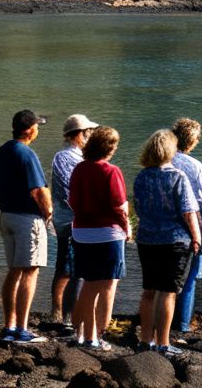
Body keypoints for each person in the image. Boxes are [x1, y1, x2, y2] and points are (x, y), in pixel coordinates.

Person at [132, 129, 201, 355]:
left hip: (147, 238)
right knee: (168, 292)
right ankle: (163, 342)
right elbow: (188, 212)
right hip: (174, 239)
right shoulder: (177, 176)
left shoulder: (141, 177)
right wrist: (197, 236)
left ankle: (145, 339)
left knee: (149, 291)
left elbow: (139, 208)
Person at [0, 109, 52, 344]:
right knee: (30, 270)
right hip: (27, 220)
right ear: (31, 130)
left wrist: (10, 200)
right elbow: (39, 190)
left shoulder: (1, 151)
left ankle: (8, 327)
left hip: (6, 217)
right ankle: (23, 330)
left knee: (14, 271)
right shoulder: (27, 154)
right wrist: (49, 212)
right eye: (38, 127)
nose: (38, 131)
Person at [68, 126, 129, 352]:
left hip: (82, 232)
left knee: (89, 283)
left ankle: (85, 334)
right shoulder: (111, 171)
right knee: (104, 285)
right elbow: (118, 207)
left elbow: (72, 201)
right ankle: (92, 332)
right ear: (109, 147)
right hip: (107, 234)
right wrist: (127, 228)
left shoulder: (79, 169)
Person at [50, 114, 99, 333]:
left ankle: (63, 312)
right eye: (88, 133)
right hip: (70, 220)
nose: (90, 136)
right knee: (67, 268)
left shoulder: (79, 157)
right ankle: (59, 313)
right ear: (78, 135)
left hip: (75, 219)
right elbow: (72, 191)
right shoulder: (65, 157)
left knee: (70, 267)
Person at [168, 118, 202, 336]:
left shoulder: (161, 160)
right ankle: (182, 325)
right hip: (190, 225)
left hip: (164, 224)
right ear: (192, 140)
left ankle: (160, 321)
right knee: (189, 279)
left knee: (164, 279)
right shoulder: (195, 166)